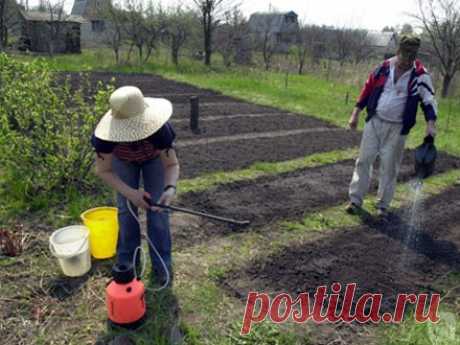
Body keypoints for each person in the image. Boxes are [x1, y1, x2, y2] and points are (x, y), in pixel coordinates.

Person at [91, 86, 180, 286]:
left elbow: (171, 164)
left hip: (153, 161)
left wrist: (169, 189)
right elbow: (104, 170)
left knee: (158, 210)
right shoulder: (103, 138)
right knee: (125, 209)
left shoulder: (160, 130)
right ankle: (127, 261)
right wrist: (131, 193)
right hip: (122, 163)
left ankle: (162, 263)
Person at [346, 34, 437, 217]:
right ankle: (355, 200)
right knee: (364, 161)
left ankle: (382, 205)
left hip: (398, 129)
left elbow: (428, 100)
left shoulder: (420, 75)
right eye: (404, 57)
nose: (406, 62)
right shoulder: (384, 67)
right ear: (398, 52)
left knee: (389, 167)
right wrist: (355, 113)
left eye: (411, 58)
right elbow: (368, 88)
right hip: (375, 121)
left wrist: (431, 124)